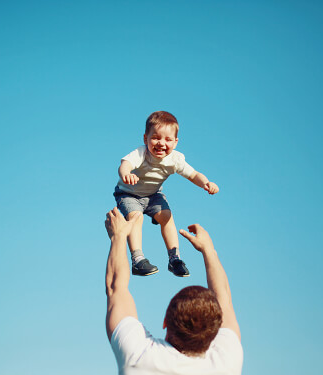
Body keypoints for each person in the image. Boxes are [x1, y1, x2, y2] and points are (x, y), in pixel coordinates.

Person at [105, 207, 243, 375]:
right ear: (215, 331)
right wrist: (209, 251)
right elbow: (224, 299)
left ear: (165, 322)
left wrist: (118, 237)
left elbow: (115, 288)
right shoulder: (227, 362)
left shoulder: (139, 356)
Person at [114, 111, 219, 277]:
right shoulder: (141, 153)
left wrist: (206, 183)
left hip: (154, 195)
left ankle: (174, 258)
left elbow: (193, 175)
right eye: (155, 137)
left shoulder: (175, 159)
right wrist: (126, 173)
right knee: (136, 217)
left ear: (175, 142)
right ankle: (138, 259)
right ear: (145, 139)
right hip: (128, 194)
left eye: (168, 139)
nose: (161, 143)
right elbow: (125, 164)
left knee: (167, 216)